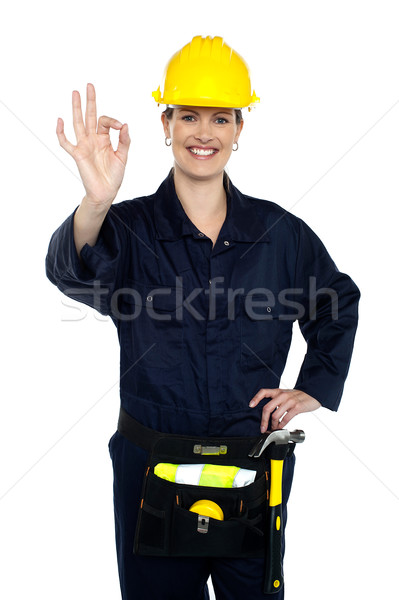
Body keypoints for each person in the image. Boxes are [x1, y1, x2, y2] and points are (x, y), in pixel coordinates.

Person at [45, 35, 360, 600]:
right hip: (152, 470)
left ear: (240, 129)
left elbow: (335, 300)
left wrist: (313, 387)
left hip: (251, 467)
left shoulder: (278, 233)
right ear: (165, 123)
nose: (203, 133)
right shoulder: (129, 229)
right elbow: (73, 273)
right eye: (188, 115)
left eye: (220, 118)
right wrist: (95, 202)